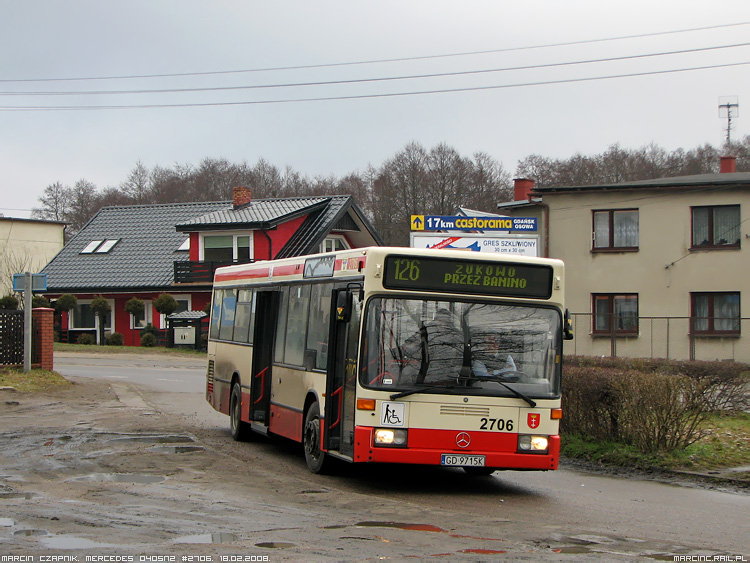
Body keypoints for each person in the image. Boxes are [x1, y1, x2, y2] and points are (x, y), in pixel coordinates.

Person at [397, 308, 465, 384]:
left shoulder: (457, 336)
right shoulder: (425, 332)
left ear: (449, 322)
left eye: (446, 322)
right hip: (425, 376)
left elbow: (463, 356)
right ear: (435, 320)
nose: (442, 324)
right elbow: (409, 347)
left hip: (449, 378)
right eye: (440, 321)